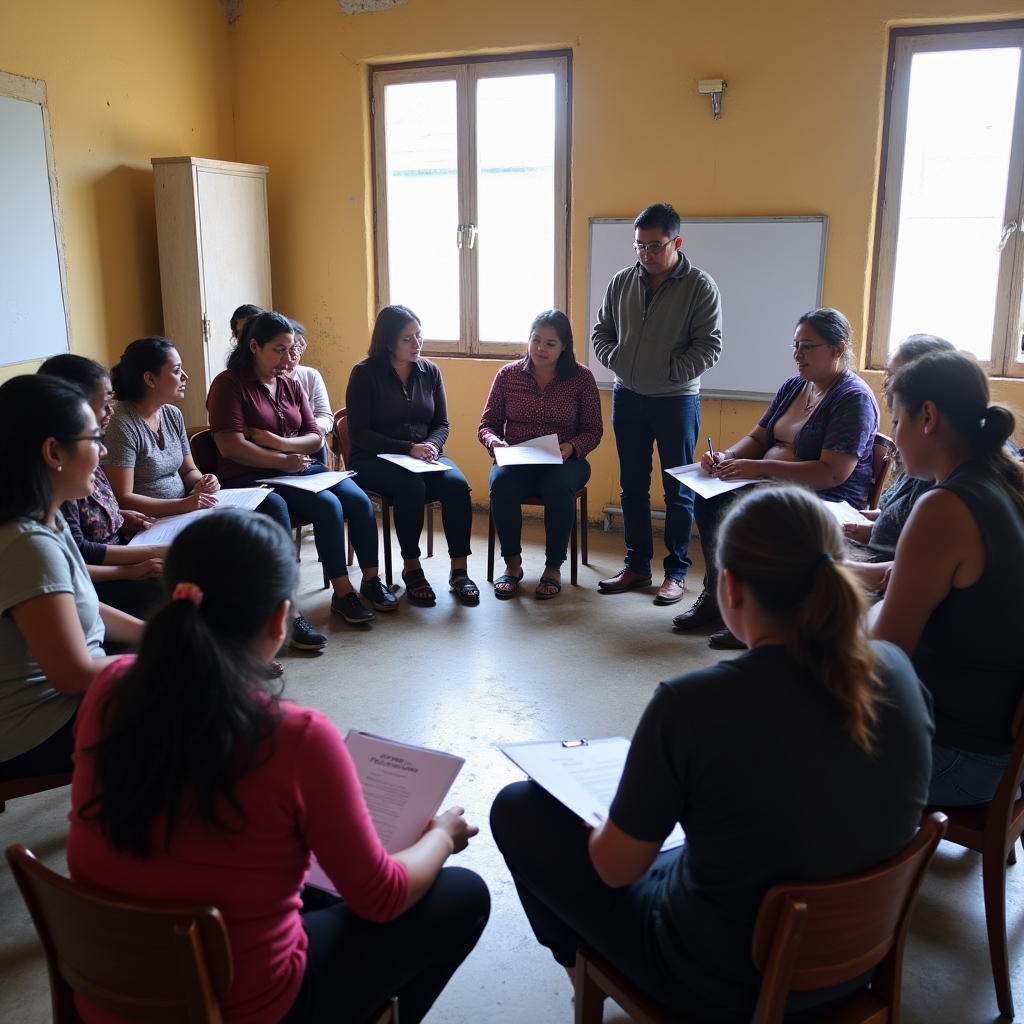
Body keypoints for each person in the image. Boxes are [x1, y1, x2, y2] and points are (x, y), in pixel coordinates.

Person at [490, 485, 933, 1024]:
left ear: (731, 588)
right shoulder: (898, 670)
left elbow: (614, 870)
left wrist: (613, 816)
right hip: (854, 962)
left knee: (518, 807)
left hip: (717, 981)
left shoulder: (693, 704)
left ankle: (585, 969)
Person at [67, 510, 490, 1024]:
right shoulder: (293, 736)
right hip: (247, 1008)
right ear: (279, 618)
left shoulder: (111, 686)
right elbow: (382, 898)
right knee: (462, 894)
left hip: (109, 995)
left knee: (318, 889)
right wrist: (442, 836)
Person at [673, 308, 879, 648]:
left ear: (838, 349)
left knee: (735, 505)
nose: (798, 355)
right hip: (771, 483)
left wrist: (760, 469)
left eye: (808, 346)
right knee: (708, 494)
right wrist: (727, 457)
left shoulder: (853, 398)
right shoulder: (796, 385)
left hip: (822, 497)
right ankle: (717, 594)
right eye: (795, 345)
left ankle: (760, 612)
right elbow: (759, 439)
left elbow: (832, 473)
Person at [871, 350, 1024, 805]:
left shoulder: (942, 507)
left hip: (959, 760)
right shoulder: (1003, 482)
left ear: (928, 417)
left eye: (897, 420)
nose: (894, 437)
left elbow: (884, 655)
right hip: (998, 751)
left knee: (773, 732)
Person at [207, 310, 396, 631]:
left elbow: (314, 437)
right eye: (278, 349)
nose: (287, 357)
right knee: (327, 505)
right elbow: (231, 447)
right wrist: (284, 458)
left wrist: (275, 442)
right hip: (250, 475)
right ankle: (333, 594)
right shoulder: (229, 384)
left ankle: (370, 581)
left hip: (296, 469)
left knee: (359, 501)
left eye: (290, 348)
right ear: (253, 346)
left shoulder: (290, 385)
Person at [0, 375, 144, 782]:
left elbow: (81, 604)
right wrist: (166, 659)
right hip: (37, 725)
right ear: (53, 452)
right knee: (199, 704)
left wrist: (157, 635)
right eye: (95, 439)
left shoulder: (50, 517)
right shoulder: (27, 544)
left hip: (67, 699)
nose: (102, 451)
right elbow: (71, 675)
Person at [592, 202, 722, 606]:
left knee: (679, 490)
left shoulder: (700, 286)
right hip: (627, 398)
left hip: (676, 402)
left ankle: (677, 572)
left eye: (654, 245)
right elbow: (602, 332)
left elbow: (709, 347)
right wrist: (617, 360)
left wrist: (668, 372)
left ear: (676, 242)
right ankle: (636, 565)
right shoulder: (621, 282)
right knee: (632, 486)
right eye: (639, 246)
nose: (645, 253)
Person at [347, 305, 479, 605]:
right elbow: (358, 433)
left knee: (457, 486)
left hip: (423, 456)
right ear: (389, 341)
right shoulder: (364, 374)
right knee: (411, 487)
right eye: (408, 338)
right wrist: (408, 448)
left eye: (419, 336)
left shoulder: (430, 371)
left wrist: (431, 445)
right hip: (373, 458)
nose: (417, 344)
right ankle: (412, 567)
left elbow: (441, 423)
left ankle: (459, 570)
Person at [479, 310, 603, 599]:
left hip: (565, 460)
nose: (540, 349)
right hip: (517, 459)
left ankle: (553, 567)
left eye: (550, 343)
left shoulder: (581, 378)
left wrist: (572, 447)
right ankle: (512, 566)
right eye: (535, 340)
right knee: (501, 485)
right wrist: (494, 442)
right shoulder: (508, 375)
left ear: (564, 346)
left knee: (558, 487)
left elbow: (593, 430)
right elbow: (487, 424)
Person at [37, 354, 166, 618]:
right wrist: (136, 565)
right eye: (106, 403)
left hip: (123, 548)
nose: (111, 411)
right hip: (102, 579)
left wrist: (121, 518)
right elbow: (77, 556)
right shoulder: (63, 473)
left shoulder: (85, 451)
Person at [842, 335, 956, 563]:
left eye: (894, 375)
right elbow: (902, 516)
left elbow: (912, 570)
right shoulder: (928, 451)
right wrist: (874, 520)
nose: (886, 383)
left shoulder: (944, 484)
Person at [103, 337, 222, 517]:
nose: (185, 376)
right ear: (150, 379)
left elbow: (188, 470)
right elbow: (122, 498)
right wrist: (183, 505)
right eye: (176, 370)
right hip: (149, 522)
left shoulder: (172, 414)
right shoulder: (121, 423)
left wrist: (203, 482)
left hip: (183, 511)